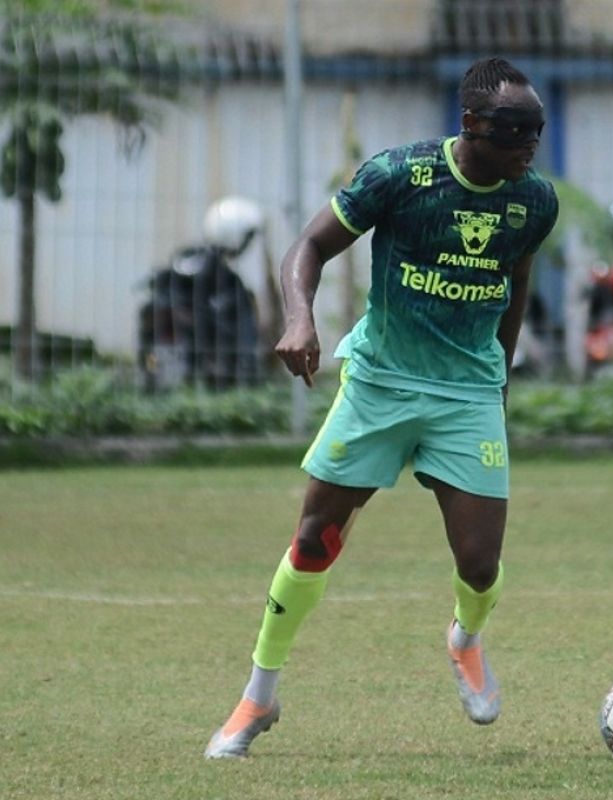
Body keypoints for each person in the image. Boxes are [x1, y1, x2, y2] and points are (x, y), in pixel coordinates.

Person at [204, 56, 559, 759]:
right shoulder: (401, 176)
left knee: (481, 565)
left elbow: (515, 283)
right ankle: (258, 696)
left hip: (466, 395)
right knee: (313, 541)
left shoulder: (533, 201)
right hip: (380, 385)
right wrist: (300, 321)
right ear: (470, 124)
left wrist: (500, 382)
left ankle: (464, 638)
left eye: (536, 133)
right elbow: (308, 245)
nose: (527, 146)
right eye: (514, 131)